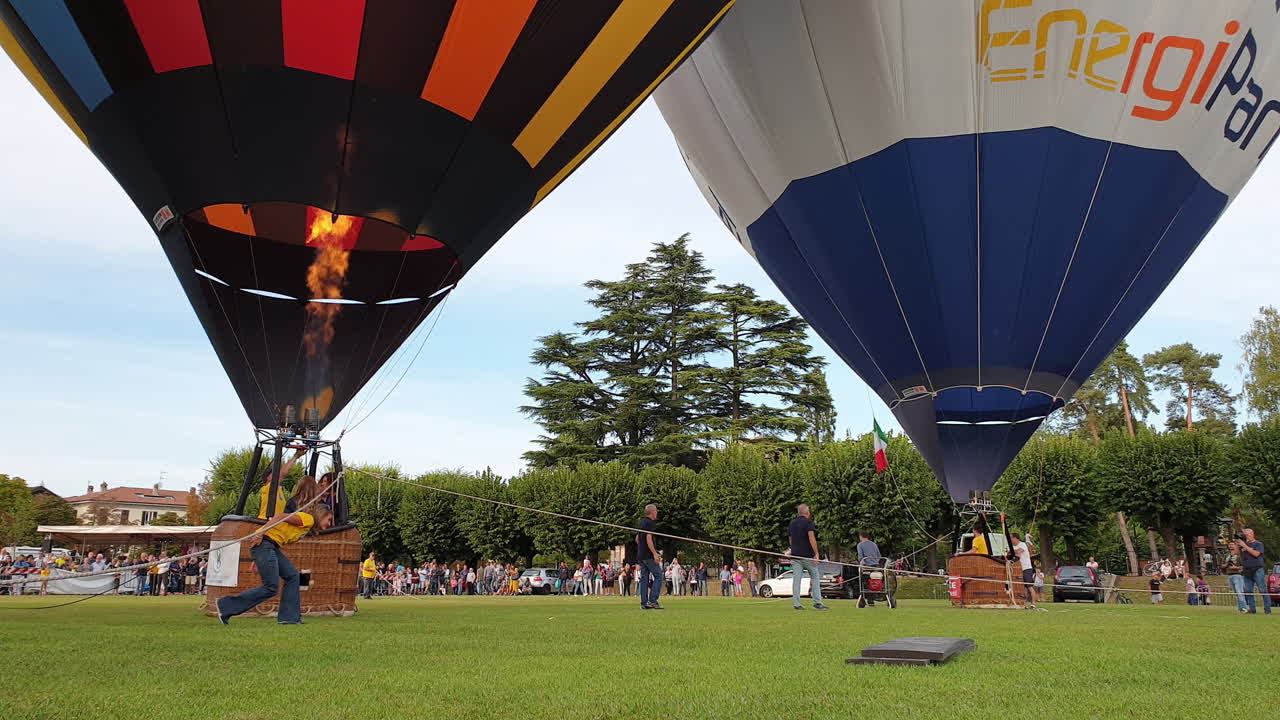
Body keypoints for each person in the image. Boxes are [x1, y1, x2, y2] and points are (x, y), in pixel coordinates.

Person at [216, 505, 335, 625]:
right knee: (271, 587)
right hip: (265, 544)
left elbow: (276, 534)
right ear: (321, 515)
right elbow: (281, 516)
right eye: (329, 520)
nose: (329, 524)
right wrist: (260, 533)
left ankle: (289, 618)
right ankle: (225, 606)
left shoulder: (307, 526)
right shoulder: (308, 519)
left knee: (293, 575)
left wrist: (258, 559)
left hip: (269, 546)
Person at [787, 504, 828, 611]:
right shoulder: (808, 522)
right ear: (807, 512)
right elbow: (811, 537)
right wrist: (816, 554)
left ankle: (797, 604)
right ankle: (817, 602)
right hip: (807, 556)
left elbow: (791, 539)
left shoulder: (792, 523)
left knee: (796, 580)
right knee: (815, 577)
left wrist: (793, 549)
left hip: (795, 556)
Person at [258, 447, 307, 519]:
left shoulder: (278, 490)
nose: (277, 475)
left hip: (277, 522)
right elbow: (283, 473)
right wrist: (296, 456)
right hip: (266, 521)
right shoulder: (268, 488)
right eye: (274, 474)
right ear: (268, 478)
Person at [1238, 527, 1271, 614]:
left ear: (1252, 534)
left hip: (1257, 569)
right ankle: (1252, 609)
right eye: (1244, 535)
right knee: (1248, 590)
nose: (1245, 536)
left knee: (1262, 589)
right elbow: (1238, 554)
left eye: (1246, 535)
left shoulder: (1258, 544)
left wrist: (1245, 546)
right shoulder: (1242, 545)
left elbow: (1256, 554)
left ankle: (1267, 609)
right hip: (1246, 570)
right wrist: (1239, 544)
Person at [637, 504, 663, 610]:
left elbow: (637, 539)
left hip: (641, 555)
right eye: (656, 511)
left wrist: (641, 549)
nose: (657, 512)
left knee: (644, 579)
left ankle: (644, 603)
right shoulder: (650, 523)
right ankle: (652, 601)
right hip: (648, 556)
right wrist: (654, 553)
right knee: (659, 575)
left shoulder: (642, 522)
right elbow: (648, 539)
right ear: (652, 512)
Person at [1010, 532, 1035, 607]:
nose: (1010, 539)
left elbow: (1018, 552)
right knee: (1023, 588)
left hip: (1027, 568)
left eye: (1011, 538)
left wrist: (1011, 551)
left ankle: (1033, 604)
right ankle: (1024, 604)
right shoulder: (1012, 546)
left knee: (1029, 587)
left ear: (1015, 538)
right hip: (1019, 569)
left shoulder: (1023, 544)